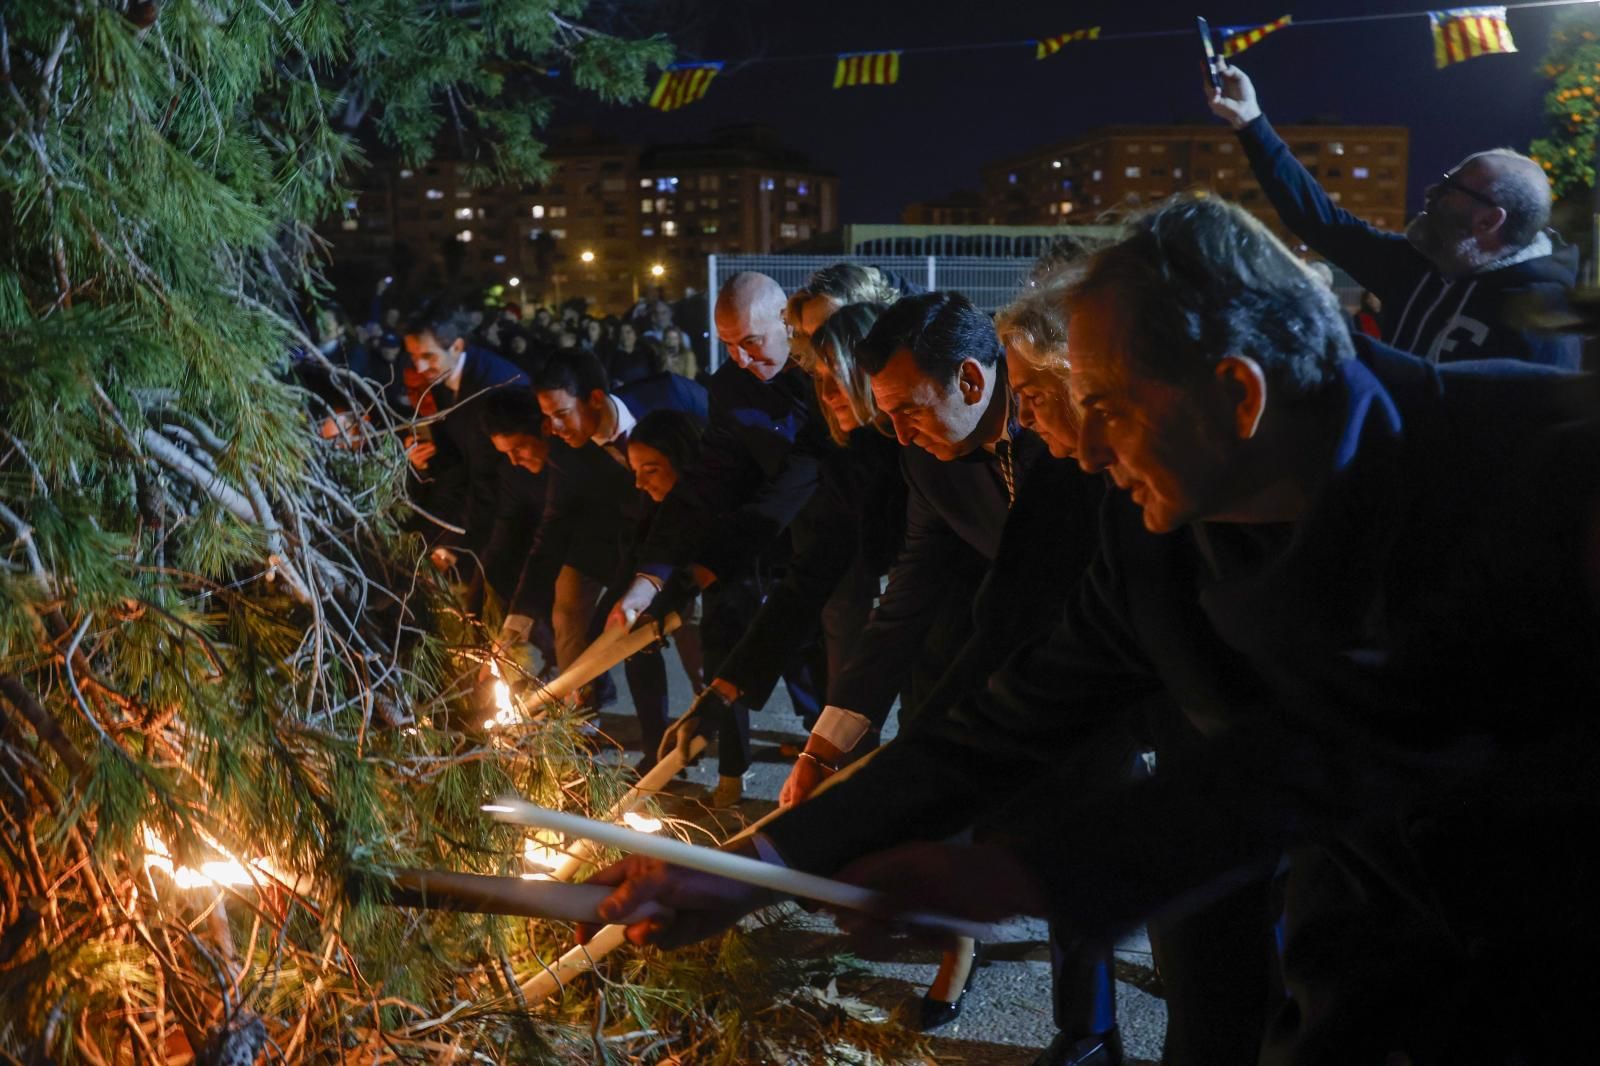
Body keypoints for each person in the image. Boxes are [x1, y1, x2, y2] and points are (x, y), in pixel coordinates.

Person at [582, 195, 1597, 1065]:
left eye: (1102, 404)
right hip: (1364, 975)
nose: (1081, 443)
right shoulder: (1149, 525)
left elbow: (1365, 733)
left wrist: (1023, 871)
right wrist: (758, 862)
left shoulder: (1540, 469)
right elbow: (1007, 715)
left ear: (1235, 394)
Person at [609, 271, 832, 805]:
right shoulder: (729, 388)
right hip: (768, 542)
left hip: (834, 536)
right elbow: (709, 480)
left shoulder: (823, 374)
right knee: (742, 652)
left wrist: (717, 558)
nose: (739, 358)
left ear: (786, 324)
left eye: (750, 342)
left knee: (832, 683)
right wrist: (650, 578)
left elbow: (804, 473)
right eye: (727, 345)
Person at [1206, 57, 1581, 368]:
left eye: (1452, 187)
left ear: (1488, 221)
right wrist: (1251, 122)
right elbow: (1319, 220)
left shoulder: (1542, 322)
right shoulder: (1418, 266)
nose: (1432, 192)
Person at [402, 305, 545, 613]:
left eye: (427, 356)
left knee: (505, 603)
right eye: (413, 356)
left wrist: (457, 542)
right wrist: (427, 458)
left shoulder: (493, 387)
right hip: (479, 505)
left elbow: (493, 476)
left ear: (456, 345)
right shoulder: (443, 381)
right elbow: (457, 459)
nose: (419, 365)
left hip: (513, 509)